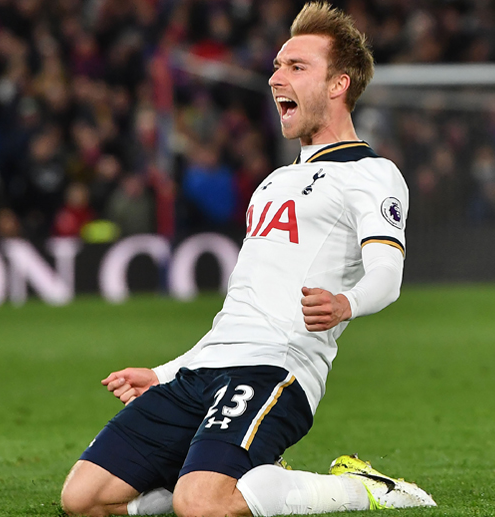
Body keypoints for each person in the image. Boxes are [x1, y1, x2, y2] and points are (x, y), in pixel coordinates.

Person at [60, 3, 435, 516]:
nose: (276, 76)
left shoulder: (372, 174)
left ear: (338, 85)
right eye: (278, 65)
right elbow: (244, 308)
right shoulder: (272, 183)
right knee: (83, 500)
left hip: (274, 371)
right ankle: (254, 480)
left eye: (296, 67)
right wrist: (166, 371)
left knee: (203, 505)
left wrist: (345, 303)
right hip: (204, 371)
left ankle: (361, 489)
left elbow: (388, 275)